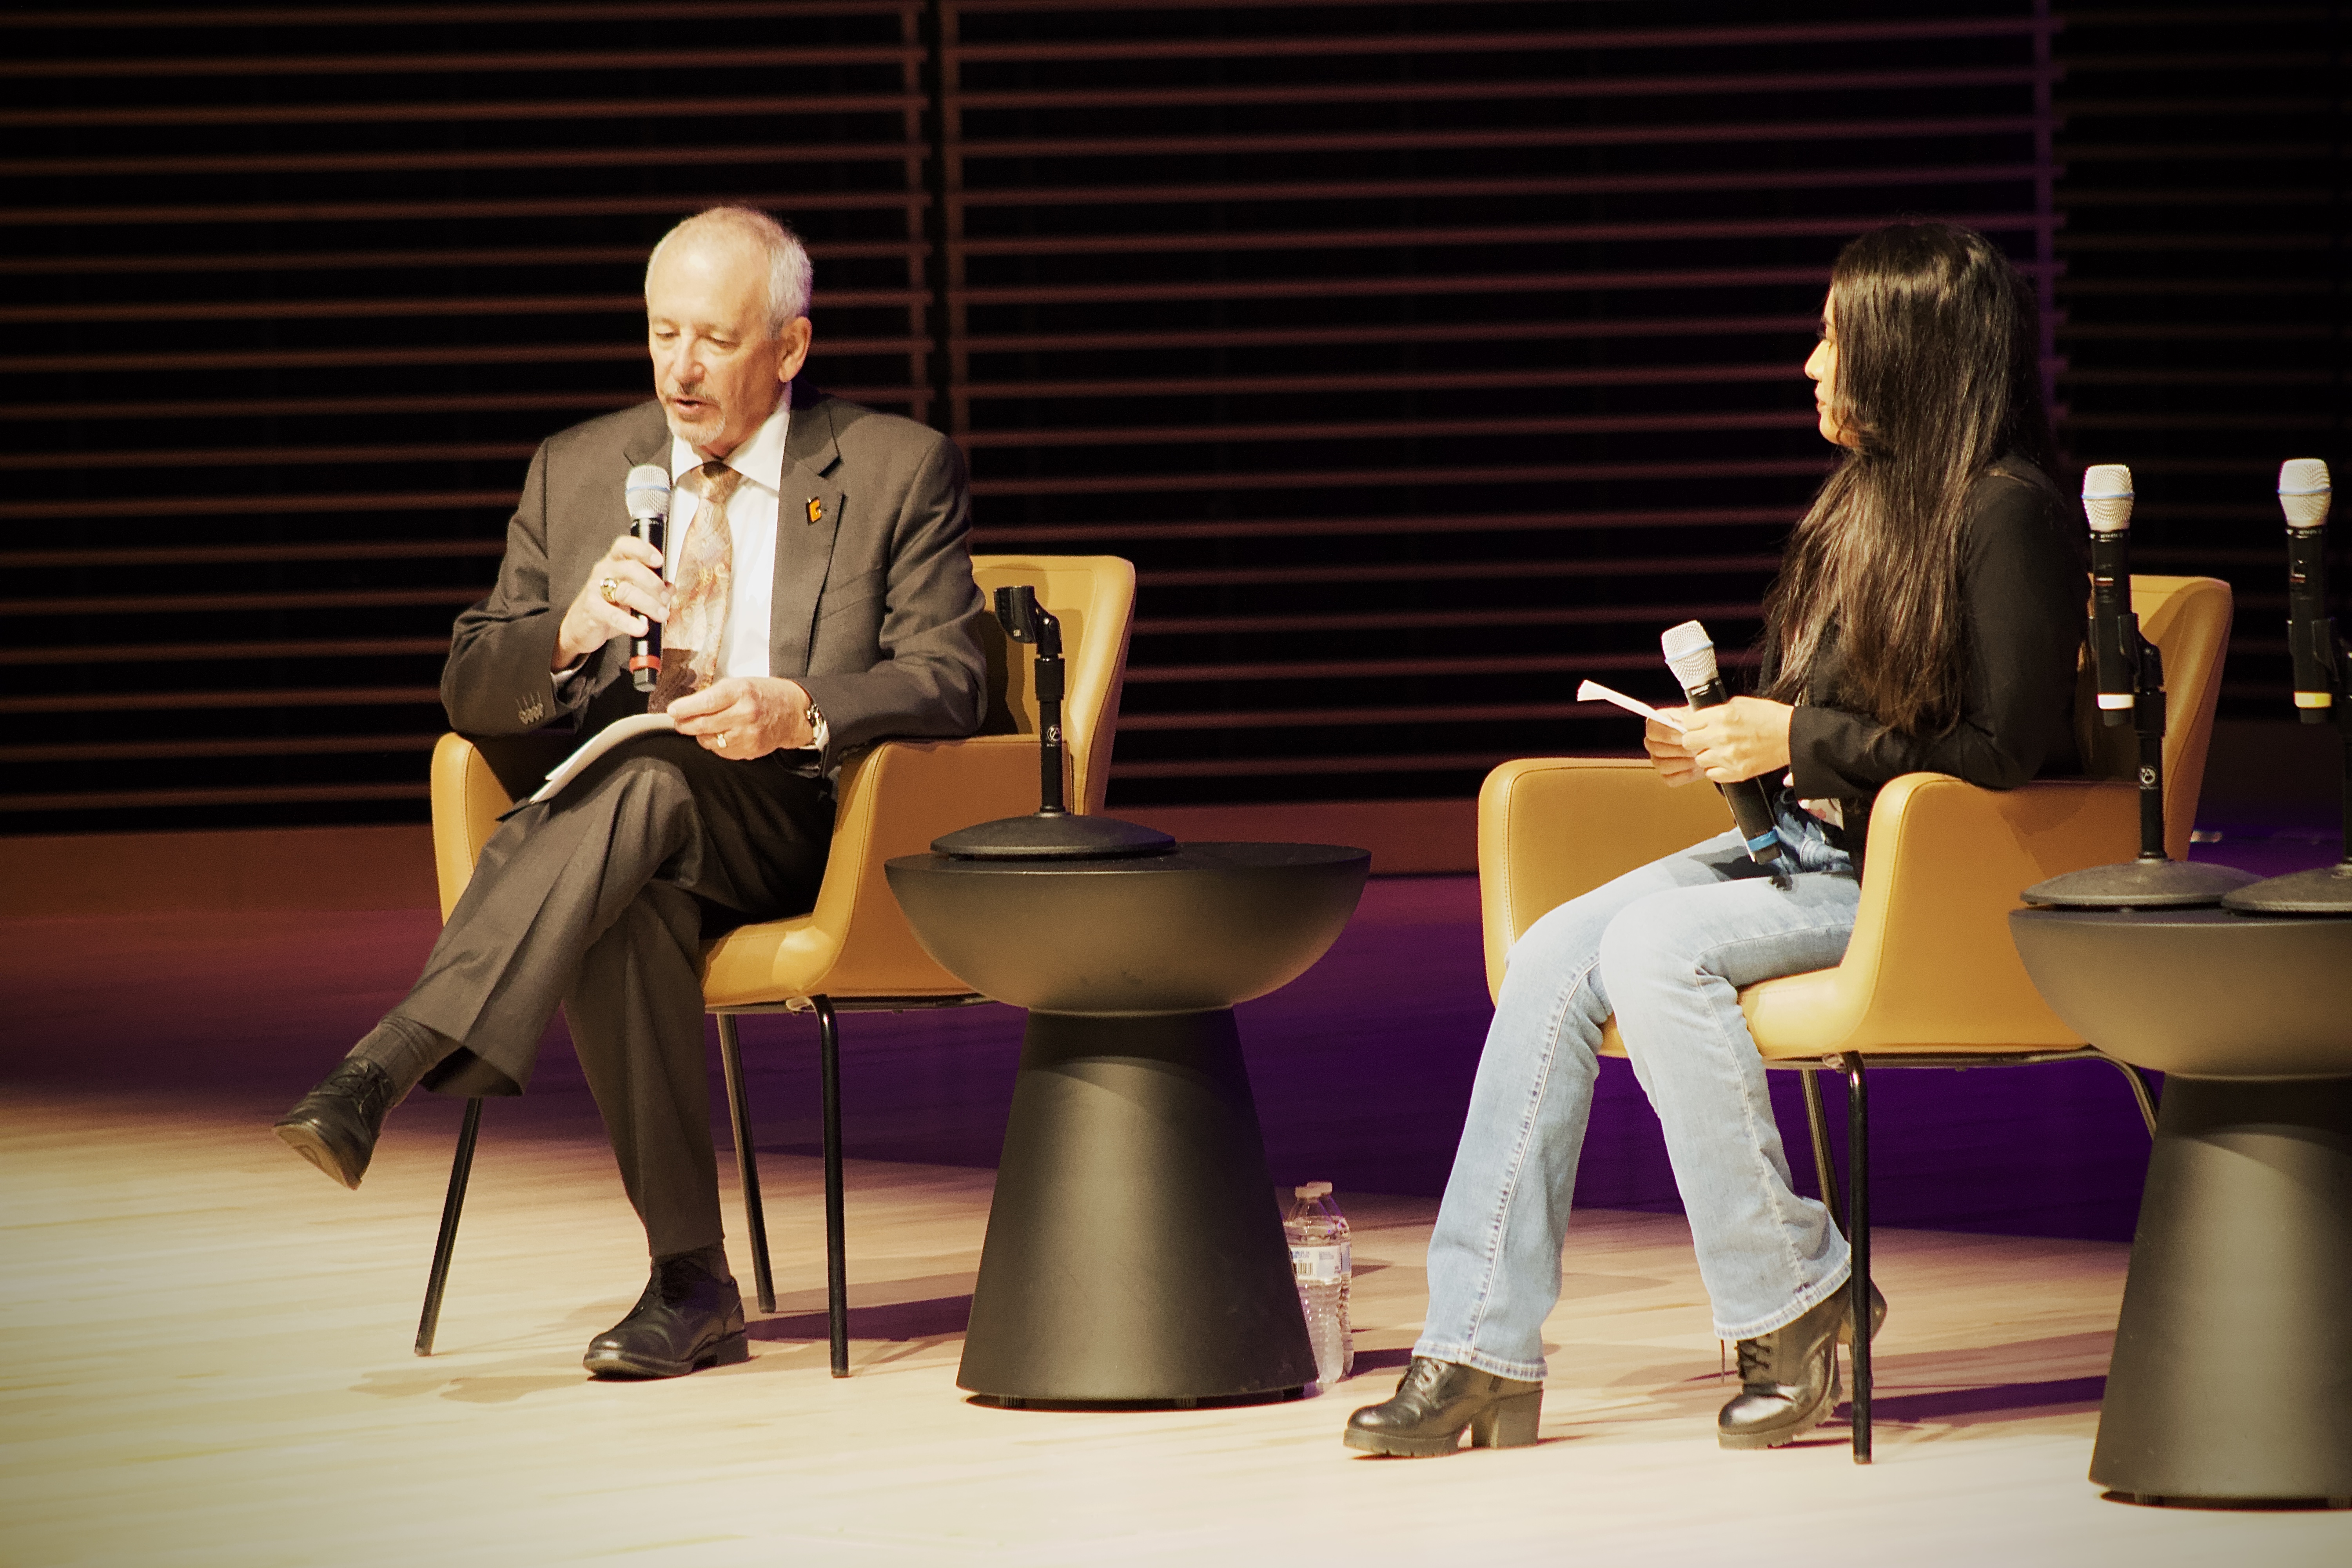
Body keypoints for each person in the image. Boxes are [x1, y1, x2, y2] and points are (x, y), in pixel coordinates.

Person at [1345, 221, 2085, 1456]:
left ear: (1909, 354)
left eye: (1834, 341)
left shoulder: (2009, 515)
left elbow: (2005, 754)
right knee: (1551, 955)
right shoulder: (1869, 506)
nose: (1809, 364)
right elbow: (1835, 721)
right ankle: (1477, 1345)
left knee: (1656, 950)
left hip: (1921, 883)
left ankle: (1790, 1299)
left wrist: (1793, 738)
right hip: (1813, 849)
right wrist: (1730, 744)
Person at [272, 207, 988, 1379]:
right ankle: (690, 1283)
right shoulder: (581, 468)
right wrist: (567, 634)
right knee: (628, 882)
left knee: (652, 774)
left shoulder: (896, 466)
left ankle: (392, 1059)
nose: (681, 368)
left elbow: (949, 676)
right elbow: (468, 682)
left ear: (791, 350)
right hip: (619, 836)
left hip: (802, 824)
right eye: (663, 334)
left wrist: (795, 706)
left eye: (713, 338)